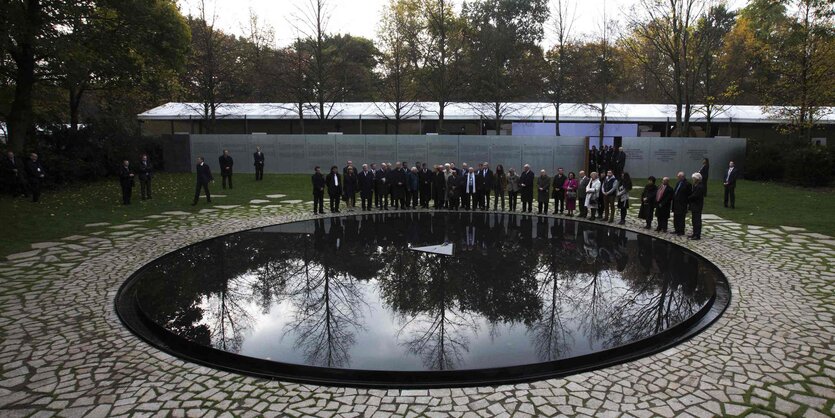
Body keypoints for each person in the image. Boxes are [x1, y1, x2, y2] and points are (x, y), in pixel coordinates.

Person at [672, 171, 691, 235]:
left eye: (679, 177)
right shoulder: (678, 183)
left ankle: (681, 231)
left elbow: (689, 194)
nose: (677, 178)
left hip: (682, 204)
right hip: (676, 203)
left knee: (681, 218)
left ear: (682, 177)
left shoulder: (687, 184)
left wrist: (687, 203)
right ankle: (676, 229)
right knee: (676, 217)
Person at [689, 172, 706, 240]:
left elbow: (695, 195)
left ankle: (697, 234)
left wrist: (688, 198)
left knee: (697, 220)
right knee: (694, 220)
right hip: (694, 205)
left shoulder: (700, 186)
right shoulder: (695, 185)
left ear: (697, 179)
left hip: (697, 206)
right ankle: (694, 233)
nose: (693, 180)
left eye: (694, 178)